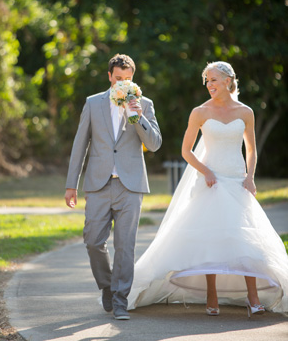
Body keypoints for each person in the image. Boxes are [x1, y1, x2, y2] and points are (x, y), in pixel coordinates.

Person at [127, 61, 288, 317]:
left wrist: (250, 177)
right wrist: (206, 172)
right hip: (211, 181)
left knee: (244, 237)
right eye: (207, 81)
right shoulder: (199, 112)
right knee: (211, 238)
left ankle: (253, 297)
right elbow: (186, 151)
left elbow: (252, 150)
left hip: (237, 180)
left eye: (214, 80)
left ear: (228, 80)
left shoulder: (245, 112)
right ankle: (211, 294)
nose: (209, 85)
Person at [64, 53, 162, 321]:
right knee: (93, 241)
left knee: (125, 245)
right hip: (98, 183)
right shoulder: (93, 104)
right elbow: (79, 145)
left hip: (131, 186)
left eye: (128, 79)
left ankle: (120, 300)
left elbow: (154, 144)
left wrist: (138, 117)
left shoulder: (145, 104)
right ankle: (107, 286)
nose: (123, 84)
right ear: (109, 76)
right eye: (119, 79)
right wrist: (71, 184)